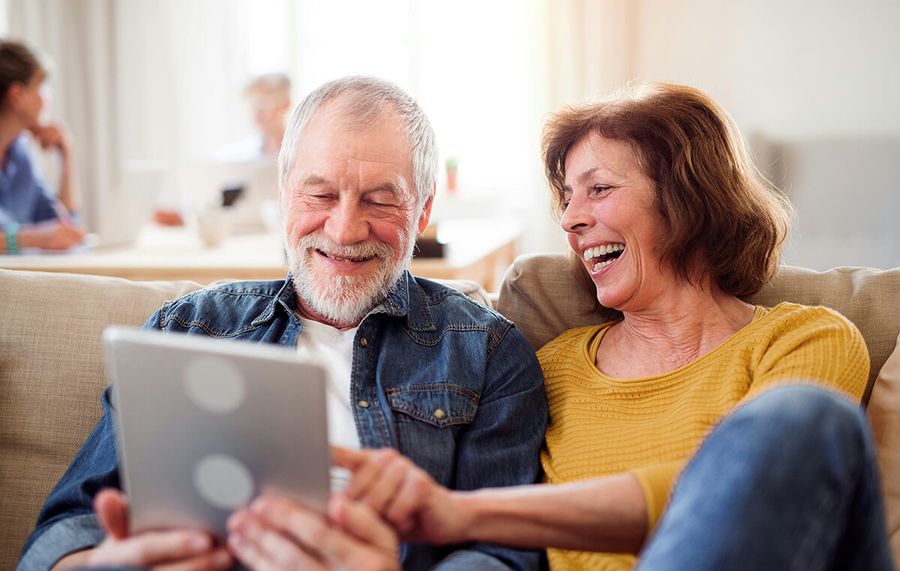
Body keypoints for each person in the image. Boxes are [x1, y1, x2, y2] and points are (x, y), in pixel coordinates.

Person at [326, 82, 895, 570]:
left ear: (689, 200)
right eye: (568, 198)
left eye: (599, 189)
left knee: (803, 415)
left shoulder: (807, 339)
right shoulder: (545, 367)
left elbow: (741, 495)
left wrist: (458, 513)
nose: (571, 219)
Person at [18, 76, 547, 570]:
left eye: (380, 200)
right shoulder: (191, 329)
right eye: (319, 195)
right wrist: (93, 563)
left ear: (424, 209)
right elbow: (64, 527)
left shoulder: (487, 351)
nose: (343, 229)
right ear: (282, 193)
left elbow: (504, 553)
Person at [0, 39, 85, 253]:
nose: (48, 98)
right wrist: (30, 239)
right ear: (17, 95)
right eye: (42, 86)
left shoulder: (20, 155)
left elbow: (64, 225)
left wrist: (67, 156)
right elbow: (43, 236)